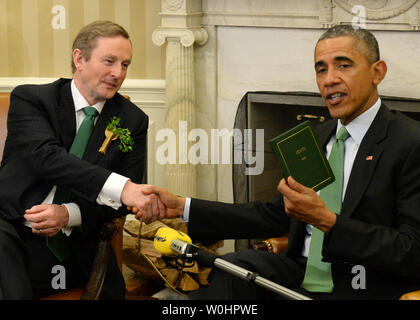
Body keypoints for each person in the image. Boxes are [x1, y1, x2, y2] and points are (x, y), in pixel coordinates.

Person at [134, 25, 420, 299]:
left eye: (343, 65)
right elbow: (271, 216)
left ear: (377, 72)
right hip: (301, 274)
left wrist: (328, 222)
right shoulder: (314, 139)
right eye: (321, 69)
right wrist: (183, 207)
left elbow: (412, 250)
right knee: (235, 268)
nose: (329, 79)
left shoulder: (409, 143)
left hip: (363, 283)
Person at [0, 20, 164, 299]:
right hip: (12, 228)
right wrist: (120, 186)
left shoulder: (133, 120)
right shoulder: (32, 99)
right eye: (109, 61)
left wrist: (68, 214)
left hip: (76, 243)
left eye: (125, 64)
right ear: (79, 58)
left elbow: (122, 204)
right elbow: (47, 158)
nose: (118, 73)